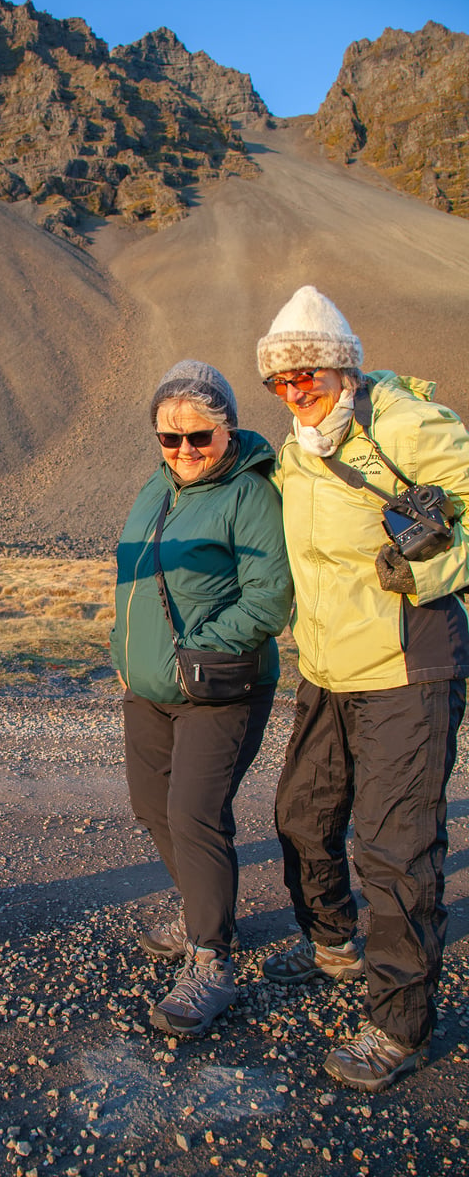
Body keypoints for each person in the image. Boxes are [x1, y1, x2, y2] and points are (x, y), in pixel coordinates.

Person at [257, 285, 469, 1091]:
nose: (295, 392)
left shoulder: (405, 425)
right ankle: (336, 947)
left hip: (408, 666)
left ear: (341, 367)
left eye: (307, 374)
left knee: (395, 849)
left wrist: (425, 567)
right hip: (328, 669)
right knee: (303, 817)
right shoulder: (295, 445)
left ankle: (401, 1025)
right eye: (281, 382)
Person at [110, 360, 292, 1038]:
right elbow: (129, 584)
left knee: (194, 814)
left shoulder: (250, 494)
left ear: (228, 428)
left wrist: (198, 651)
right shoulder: (153, 490)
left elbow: (271, 595)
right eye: (170, 438)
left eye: (199, 437)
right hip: (147, 691)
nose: (184, 451)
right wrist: (121, 656)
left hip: (221, 687)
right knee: (150, 806)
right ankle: (201, 908)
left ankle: (211, 961)